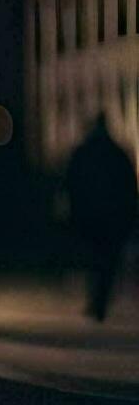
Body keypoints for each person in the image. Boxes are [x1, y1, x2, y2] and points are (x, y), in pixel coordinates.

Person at [65, 114, 138, 322]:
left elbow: (72, 183)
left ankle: (96, 302)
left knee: (94, 260)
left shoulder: (83, 153)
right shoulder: (117, 154)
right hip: (113, 218)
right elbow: (128, 188)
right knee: (107, 262)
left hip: (90, 217)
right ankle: (100, 301)